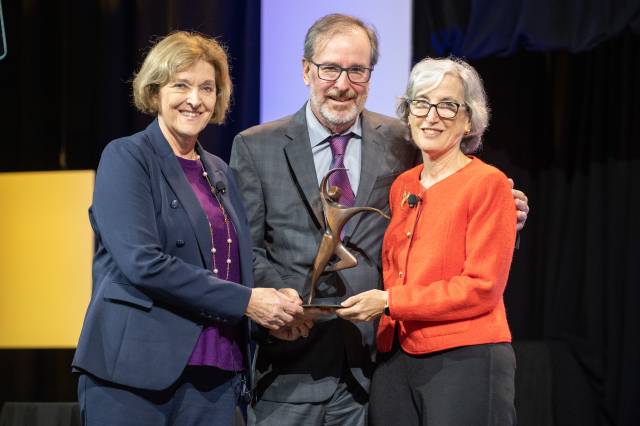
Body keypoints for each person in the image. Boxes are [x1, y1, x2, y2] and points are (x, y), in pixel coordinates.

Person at [230, 14, 529, 426]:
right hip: (290, 360)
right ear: (305, 70)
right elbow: (247, 249)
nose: (342, 83)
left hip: (371, 365)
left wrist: (506, 213)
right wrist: (278, 304)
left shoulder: (401, 141)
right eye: (330, 68)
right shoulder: (254, 146)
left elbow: (458, 199)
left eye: (357, 70)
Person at [72, 31, 303, 426]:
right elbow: (144, 263)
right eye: (181, 85)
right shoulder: (127, 157)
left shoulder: (221, 172)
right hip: (134, 375)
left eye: (207, 88)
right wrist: (247, 300)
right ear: (156, 89)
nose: (195, 99)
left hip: (215, 378)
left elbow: (233, 265)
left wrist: (273, 307)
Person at [337, 57, 519, 425]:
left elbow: (481, 287)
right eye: (421, 103)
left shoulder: (488, 183)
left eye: (447, 105)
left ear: (469, 120)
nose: (431, 116)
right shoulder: (403, 185)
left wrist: (390, 301)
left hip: (464, 355)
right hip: (395, 357)